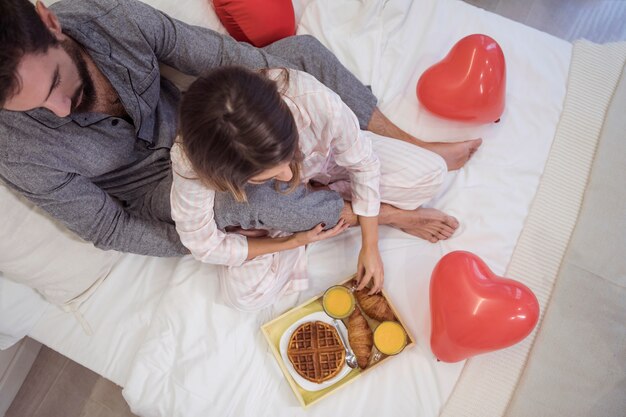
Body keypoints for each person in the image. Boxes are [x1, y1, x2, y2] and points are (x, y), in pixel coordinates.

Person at [0, 0, 481, 257]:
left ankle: (412, 144)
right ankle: (378, 214)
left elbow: (226, 58)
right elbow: (108, 227)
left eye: (57, 83)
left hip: (202, 125)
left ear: (50, 21)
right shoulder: (13, 149)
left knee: (302, 57)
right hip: (155, 183)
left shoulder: (114, 17)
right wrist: (212, 239)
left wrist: (276, 101)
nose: (60, 111)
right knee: (252, 198)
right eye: (34, 107)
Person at [172, 66, 459, 310]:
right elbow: (204, 244)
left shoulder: (312, 99)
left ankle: (357, 214)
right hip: (277, 212)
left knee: (430, 174)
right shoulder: (191, 162)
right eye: (264, 176)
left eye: (289, 156)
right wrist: (291, 242)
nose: (287, 176)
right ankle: (379, 215)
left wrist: (370, 245)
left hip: (330, 168)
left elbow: (363, 163)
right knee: (244, 296)